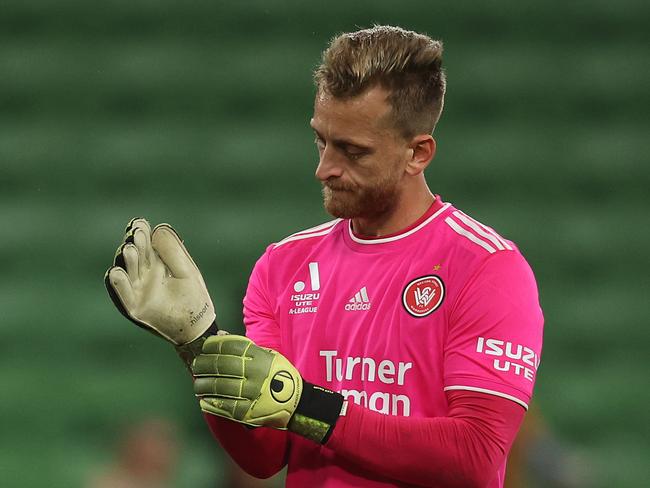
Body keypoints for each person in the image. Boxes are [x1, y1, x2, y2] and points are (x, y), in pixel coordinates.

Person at [106, 25, 543, 487]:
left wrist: (311, 409)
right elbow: (264, 455)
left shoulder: (487, 267)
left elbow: (475, 455)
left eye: (353, 151)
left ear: (418, 153)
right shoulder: (284, 266)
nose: (324, 169)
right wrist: (198, 345)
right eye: (322, 140)